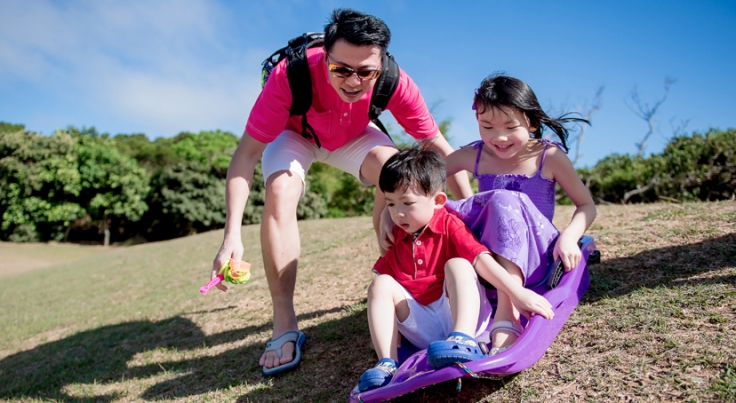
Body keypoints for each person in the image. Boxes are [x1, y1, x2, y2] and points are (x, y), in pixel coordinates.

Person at [210, 8, 473, 376]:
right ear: (327, 57)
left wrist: (472, 210)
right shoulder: (291, 75)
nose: (353, 81)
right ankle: (284, 323)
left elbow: (439, 149)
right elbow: (245, 156)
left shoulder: (395, 80)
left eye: (366, 72)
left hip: (354, 136)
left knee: (394, 167)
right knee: (281, 190)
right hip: (296, 135)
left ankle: (403, 285)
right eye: (341, 70)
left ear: (381, 65)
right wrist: (231, 235)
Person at [358, 148, 554, 392]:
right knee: (380, 283)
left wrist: (517, 292)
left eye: (407, 203)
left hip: (461, 315)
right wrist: (388, 328)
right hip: (422, 324)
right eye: (391, 203)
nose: (398, 213)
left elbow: (483, 262)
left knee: (459, 263)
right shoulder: (397, 235)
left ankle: (462, 338)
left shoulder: (449, 224)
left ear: (439, 201)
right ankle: (387, 363)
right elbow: (385, 293)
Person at [443, 73, 597, 355]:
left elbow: (587, 205)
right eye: (486, 126)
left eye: (510, 126)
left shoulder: (547, 156)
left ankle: (507, 311)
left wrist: (569, 238)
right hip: (489, 258)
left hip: (537, 255)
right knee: (439, 207)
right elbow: (420, 180)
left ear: (532, 123)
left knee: (504, 199)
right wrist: (395, 212)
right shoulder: (474, 155)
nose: (498, 137)